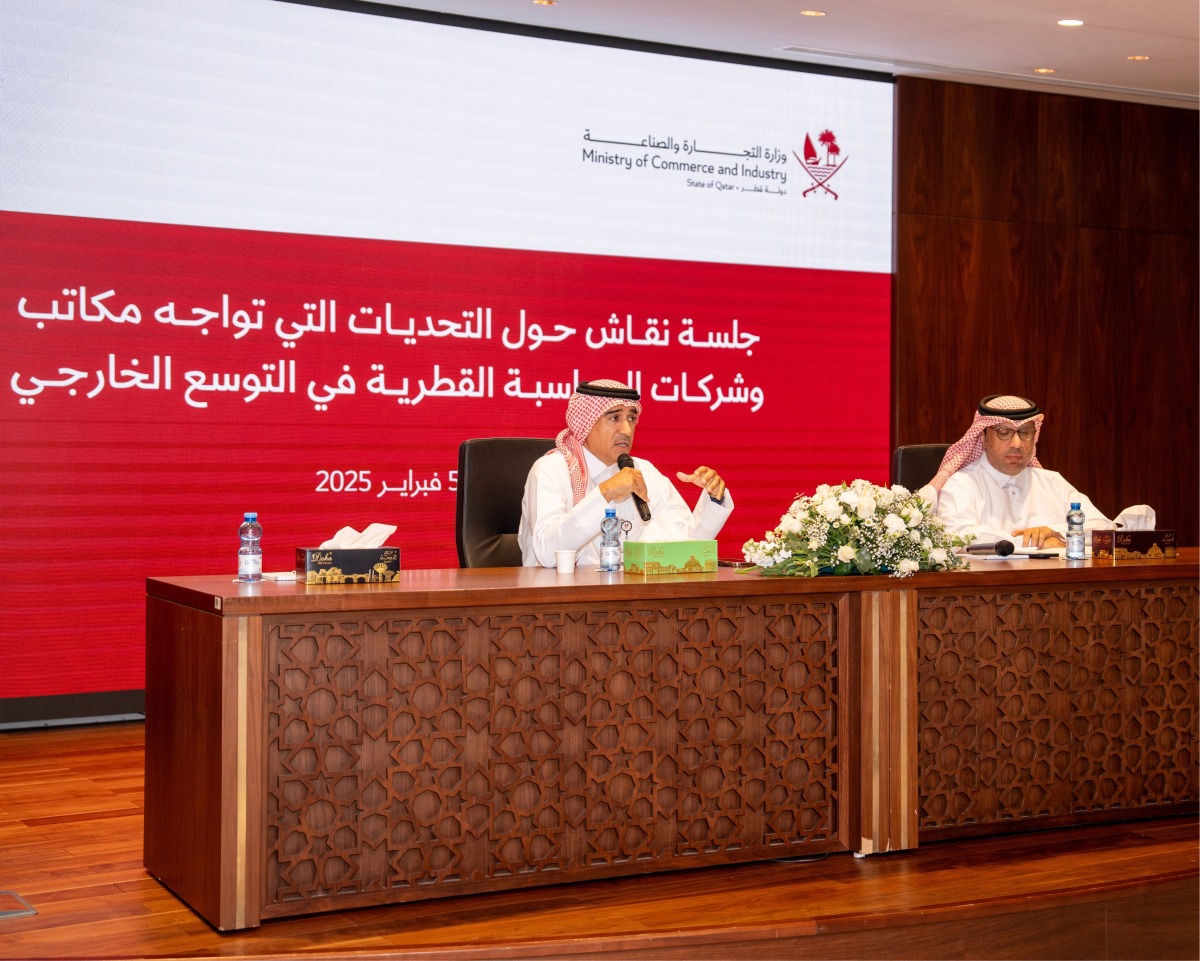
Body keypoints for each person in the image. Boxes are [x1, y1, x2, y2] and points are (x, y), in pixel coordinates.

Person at [519, 379, 733, 568]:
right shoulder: (551, 469)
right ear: (586, 422)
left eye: (631, 418)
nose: (627, 430)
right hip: (559, 603)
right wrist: (606, 493)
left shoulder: (643, 471)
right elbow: (547, 552)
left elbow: (684, 545)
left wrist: (714, 499)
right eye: (614, 418)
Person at [929, 394, 1113, 549]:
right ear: (983, 437)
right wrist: (1036, 543)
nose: (1017, 444)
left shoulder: (1052, 482)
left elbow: (1106, 530)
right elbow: (958, 537)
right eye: (1004, 432)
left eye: (1025, 432)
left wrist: (1054, 532)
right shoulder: (961, 484)